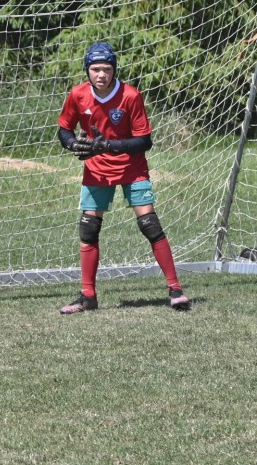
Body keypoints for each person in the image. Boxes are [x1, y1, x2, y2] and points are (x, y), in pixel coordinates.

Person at [57, 41, 191, 314]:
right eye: (95, 69)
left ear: (114, 70)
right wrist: (72, 144)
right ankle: (87, 296)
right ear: (87, 70)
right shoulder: (78, 94)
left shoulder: (130, 95)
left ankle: (175, 289)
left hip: (132, 168)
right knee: (88, 228)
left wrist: (109, 145)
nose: (101, 75)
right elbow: (64, 129)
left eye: (107, 69)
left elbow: (144, 141)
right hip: (96, 169)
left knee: (149, 224)